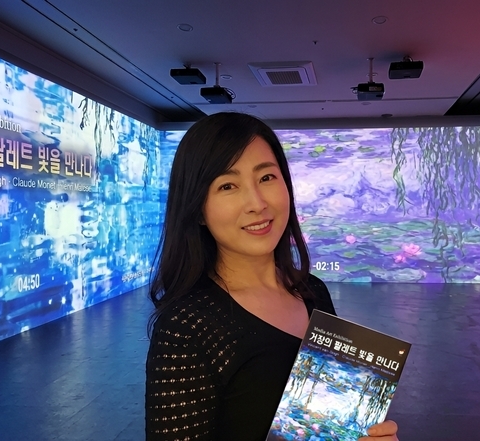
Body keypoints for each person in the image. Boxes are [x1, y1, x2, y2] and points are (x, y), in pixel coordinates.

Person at [145, 112, 399, 441]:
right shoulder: (187, 326)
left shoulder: (313, 291)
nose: (257, 203)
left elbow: (331, 426)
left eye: (266, 177)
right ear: (198, 210)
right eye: (227, 186)